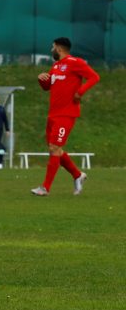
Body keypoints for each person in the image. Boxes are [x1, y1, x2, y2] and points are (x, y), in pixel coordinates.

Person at [31, 37, 100, 196]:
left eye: (52, 47)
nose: (51, 50)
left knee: (54, 147)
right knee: (54, 149)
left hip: (67, 113)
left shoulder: (75, 62)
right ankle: (78, 175)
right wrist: (42, 80)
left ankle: (45, 188)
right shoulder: (56, 66)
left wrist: (79, 92)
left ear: (59, 48)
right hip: (53, 114)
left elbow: (94, 77)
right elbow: (47, 87)